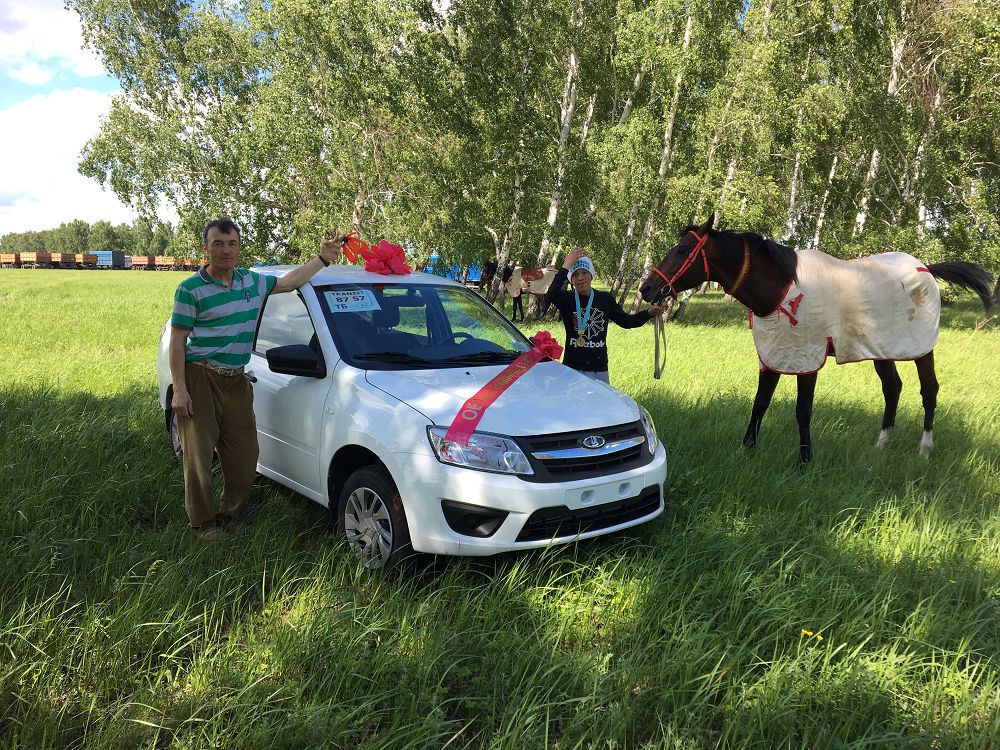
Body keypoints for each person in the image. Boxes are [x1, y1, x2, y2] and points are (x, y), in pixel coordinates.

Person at [169, 218, 345, 538]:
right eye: (218, 244)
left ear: (239, 248)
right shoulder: (190, 289)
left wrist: (322, 258)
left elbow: (290, 282)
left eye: (232, 244)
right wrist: (180, 389)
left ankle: (230, 514)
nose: (225, 250)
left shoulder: (251, 281)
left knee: (245, 454)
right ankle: (203, 524)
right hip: (200, 377)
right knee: (198, 457)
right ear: (205, 248)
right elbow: (177, 341)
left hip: (236, 380)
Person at [544, 246, 664, 383]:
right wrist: (566, 265)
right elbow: (551, 294)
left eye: (584, 272)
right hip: (572, 367)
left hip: (598, 368)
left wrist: (648, 313)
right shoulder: (567, 299)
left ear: (591, 275)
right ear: (571, 279)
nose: (580, 278)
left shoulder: (604, 299)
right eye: (575, 274)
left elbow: (625, 321)